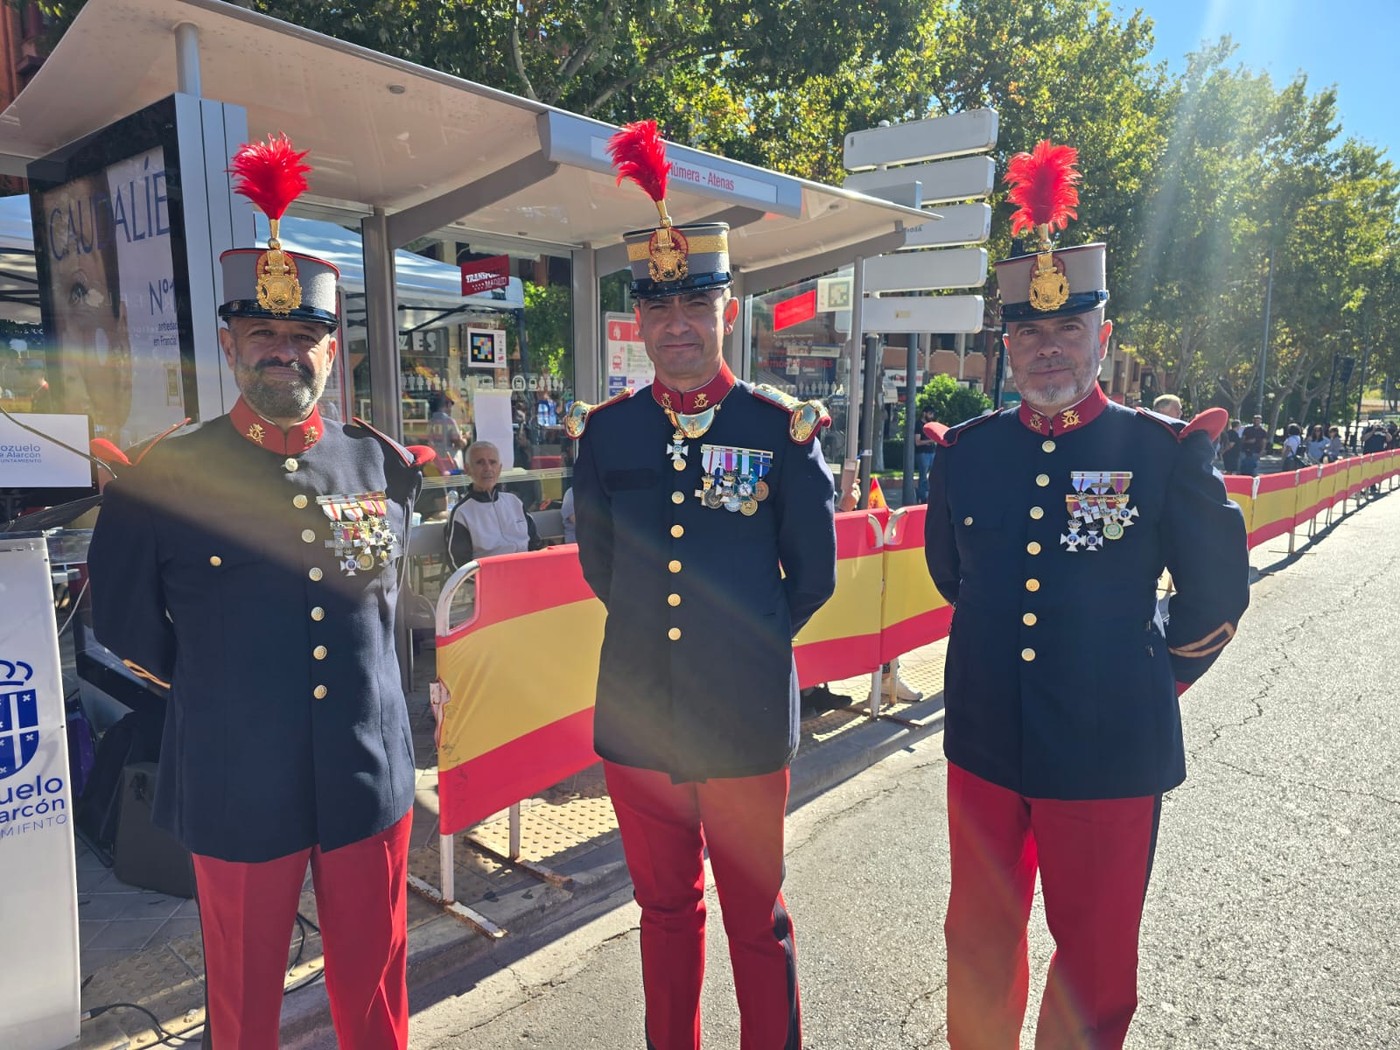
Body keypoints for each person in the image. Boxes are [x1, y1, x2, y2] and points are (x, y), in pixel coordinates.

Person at [86, 137, 423, 1050]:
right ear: (230, 343)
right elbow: (124, 631)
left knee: (376, 993)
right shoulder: (166, 476)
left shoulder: (380, 465)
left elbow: (385, 615)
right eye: (264, 336)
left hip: (365, 772)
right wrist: (228, 693)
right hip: (236, 779)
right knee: (240, 1006)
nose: (285, 354)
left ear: (330, 349)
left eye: (303, 337)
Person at [923, 141, 1250, 1050]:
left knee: (1096, 966)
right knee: (978, 946)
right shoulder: (970, 453)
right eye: (1028, 331)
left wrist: (1146, 676)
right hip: (987, 741)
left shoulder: (1161, 450)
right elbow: (956, 577)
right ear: (1005, 345)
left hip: (1111, 750)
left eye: (1069, 329)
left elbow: (1217, 594)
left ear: (1104, 336)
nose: (1048, 348)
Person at [569, 119, 837, 1050]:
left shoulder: (779, 429)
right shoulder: (608, 435)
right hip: (638, 717)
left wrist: (744, 640)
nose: (676, 326)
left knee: (755, 921)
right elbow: (600, 564)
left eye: (695, 306)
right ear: (637, 319)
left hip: (744, 722)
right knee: (663, 915)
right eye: (657, 307)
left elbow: (813, 575)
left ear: (727, 309)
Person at [444, 439, 544, 568]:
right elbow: (459, 566)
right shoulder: (462, 513)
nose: (488, 468)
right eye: (480, 463)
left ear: (500, 468)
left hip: (526, 576)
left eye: (493, 462)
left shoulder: (514, 502)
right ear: (468, 469)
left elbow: (535, 545)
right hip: (490, 583)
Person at [426, 389, 465, 473]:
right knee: (454, 484)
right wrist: (464, 439)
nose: (451, 408)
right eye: (451, 405)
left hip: (435, 463)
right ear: (446, 405)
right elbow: (458, 442)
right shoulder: (449, 421)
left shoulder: (430, 422)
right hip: (450, 464)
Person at [914, 405, 938, 502]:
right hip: (922, 453)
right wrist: (929, 441)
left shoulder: (930, 424)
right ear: (924, 413)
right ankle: (922, 496)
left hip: (932, 452)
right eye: (930, 414)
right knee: (923, 476)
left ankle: (929, 496)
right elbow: (917, 442)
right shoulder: (919, 425)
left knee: (933, 475)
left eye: (932, 414)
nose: (931, 416)